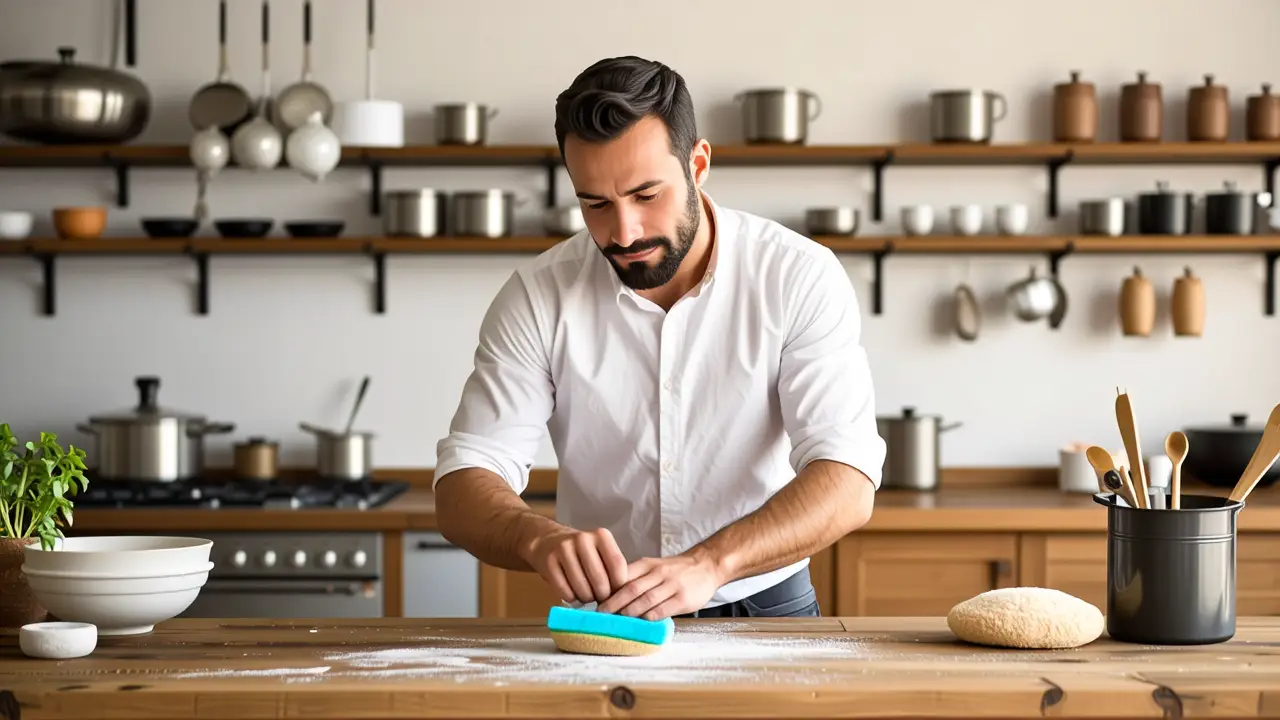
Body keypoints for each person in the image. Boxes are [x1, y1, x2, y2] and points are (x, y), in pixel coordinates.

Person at [432, 55, 886, 621]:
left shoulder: (797, 274)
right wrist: (536, 537)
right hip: (610, 613)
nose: (624, 232)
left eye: (647, 195)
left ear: (698, 165)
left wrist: (711, 563)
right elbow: (466, 476)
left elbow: (847, 476)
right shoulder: (538, 295)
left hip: (764, 604)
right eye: (596, 204)